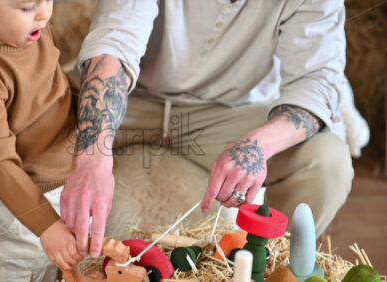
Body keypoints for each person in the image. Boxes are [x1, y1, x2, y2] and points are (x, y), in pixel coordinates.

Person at [61, 0, 357, 258]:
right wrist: (93, 157)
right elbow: (115, 41)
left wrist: (257, 145)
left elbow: (317, 81)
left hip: (226, 113)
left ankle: (268, 265)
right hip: (131, 99)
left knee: (327, 161)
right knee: (32, 122)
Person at [0, 0, 83, 280]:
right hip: (21, 205)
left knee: (62, 271)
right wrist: (46, 224)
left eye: (49, 0)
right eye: (27, 7)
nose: (45, 14)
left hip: (67, 179)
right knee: (21, 270)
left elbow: (54, 85)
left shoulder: (31, 29)